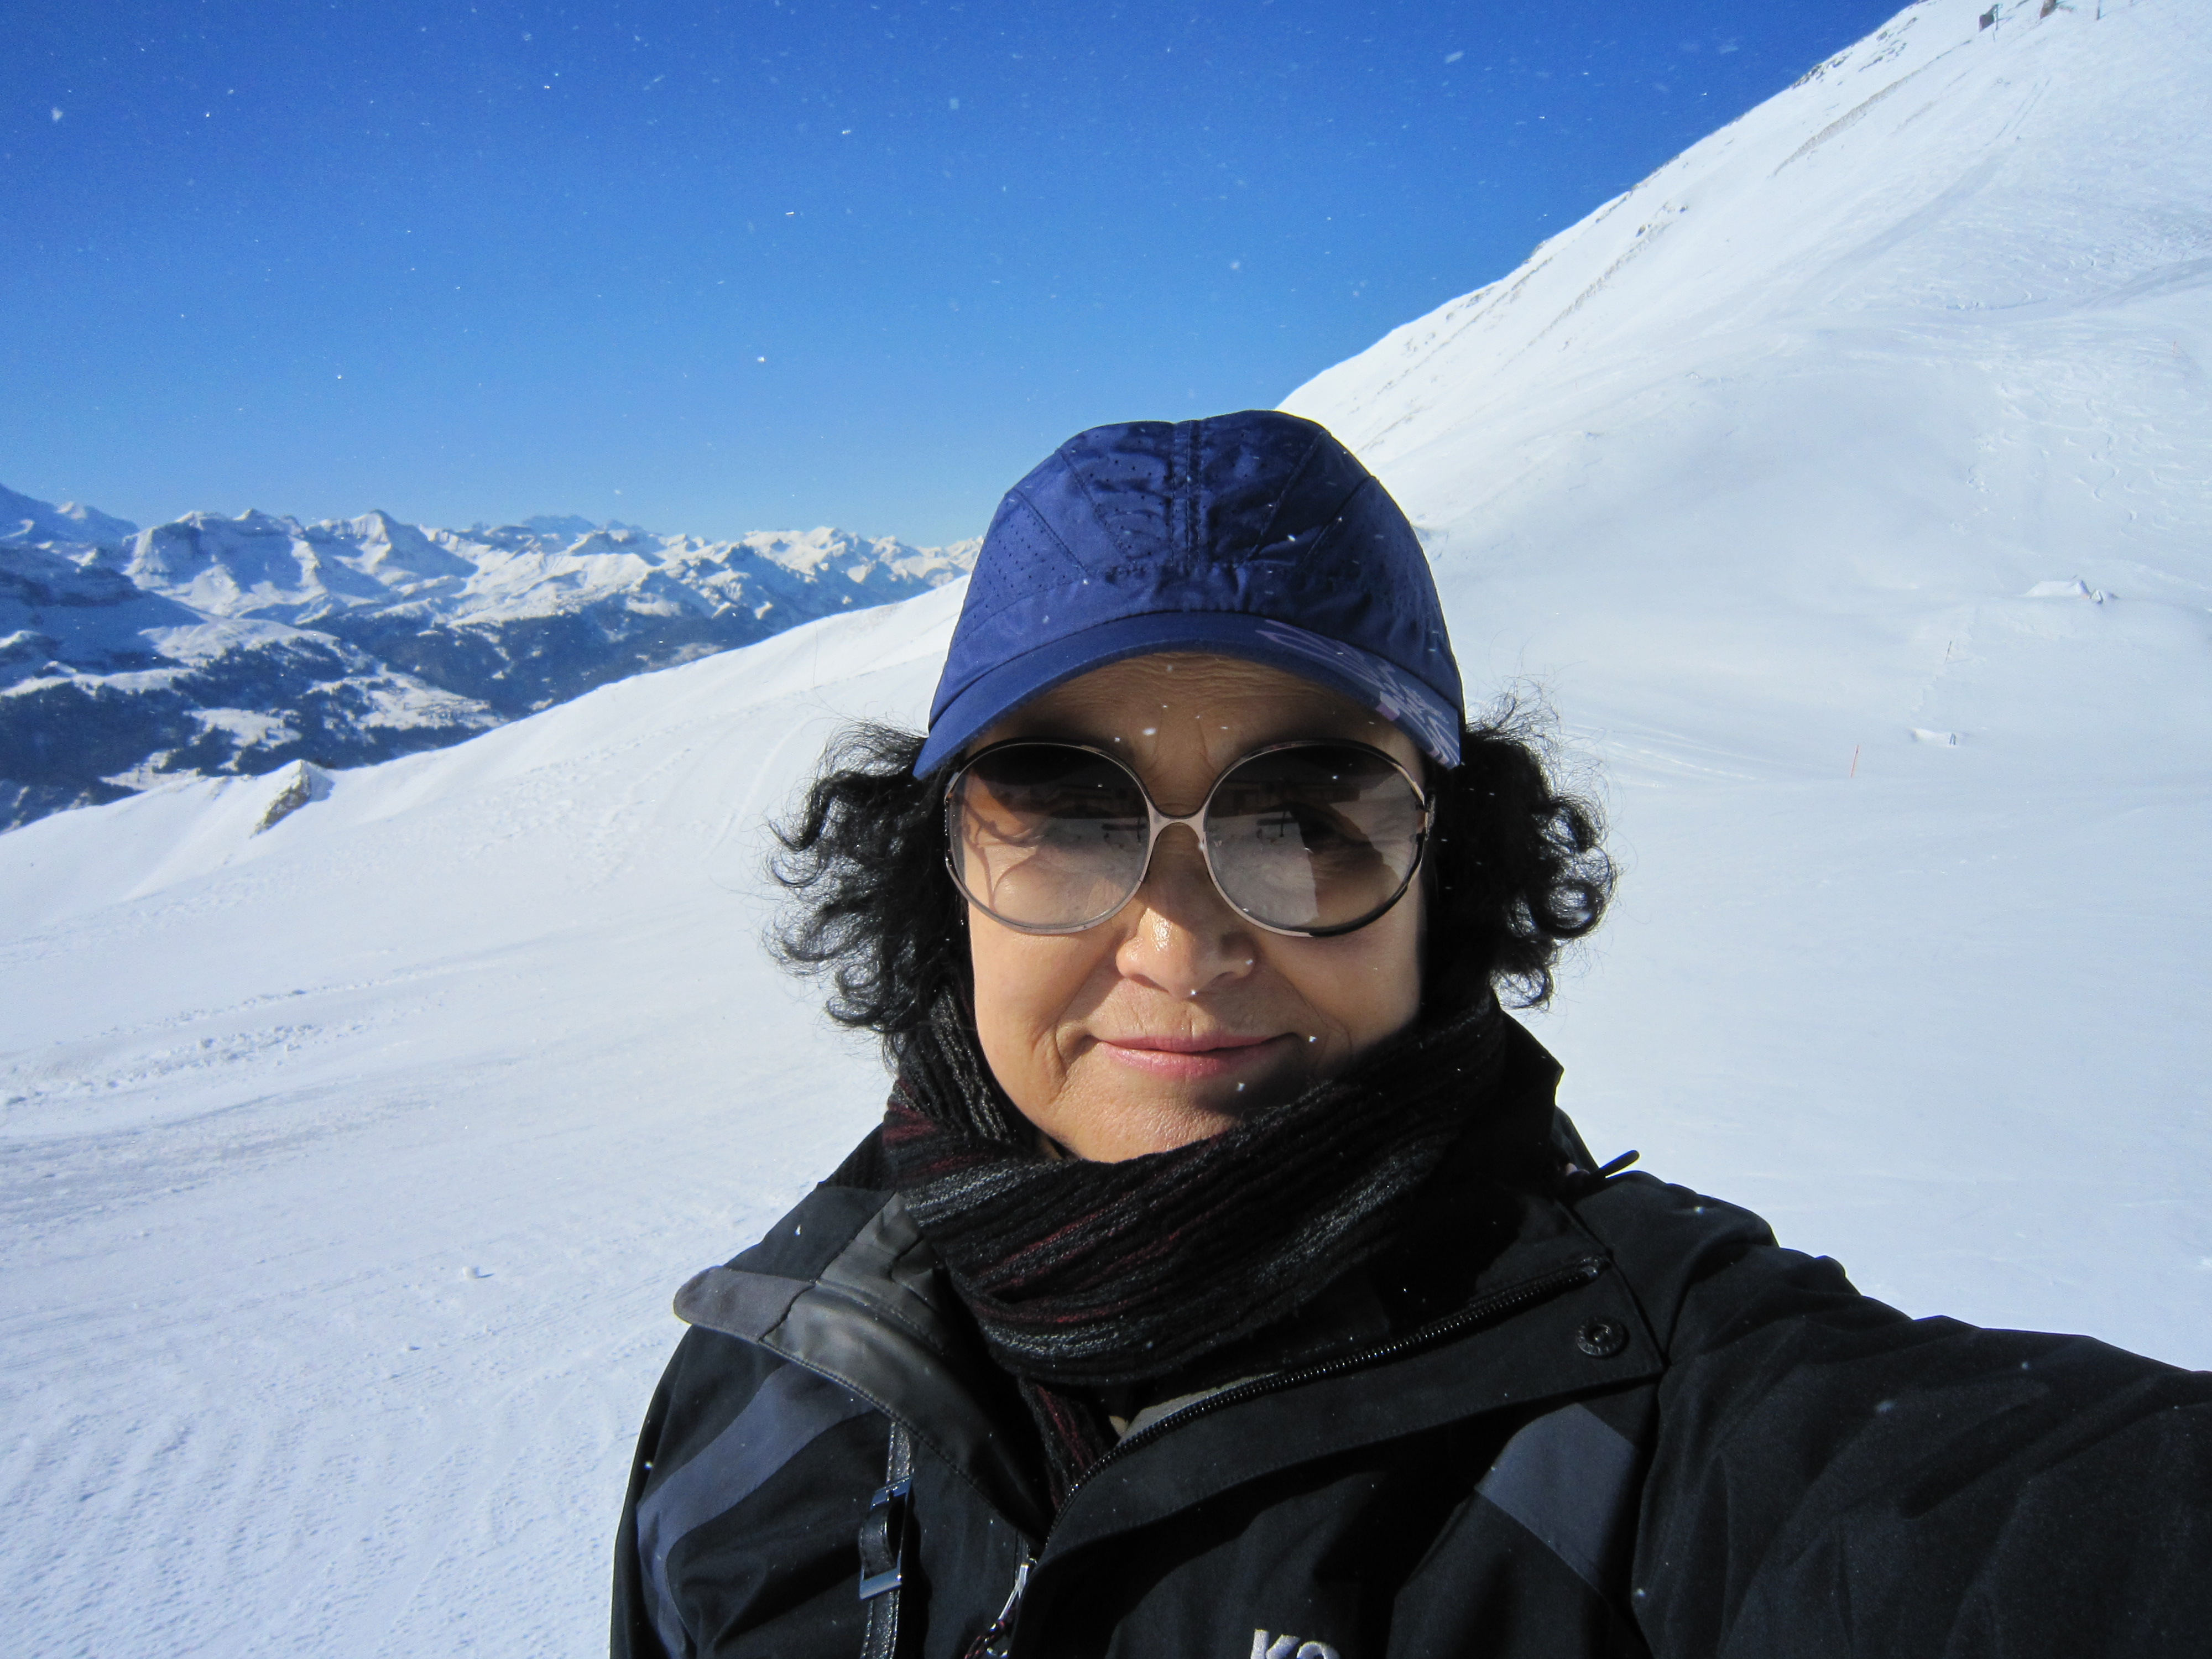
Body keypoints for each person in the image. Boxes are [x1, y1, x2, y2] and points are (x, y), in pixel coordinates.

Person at [612, 411, 2211, 1659]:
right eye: (1066, 812)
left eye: (1309, 820)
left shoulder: (1664, 1416)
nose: (1177, 941)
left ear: (1449, 878)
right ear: (941, 872)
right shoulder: (767, 1381)